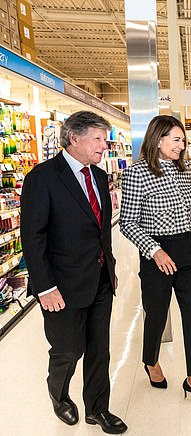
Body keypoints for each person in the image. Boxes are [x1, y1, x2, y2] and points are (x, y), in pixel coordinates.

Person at [21, 111, 128, 434]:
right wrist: (44, 287)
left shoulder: (97, 176)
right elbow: (33, 237)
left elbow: (101, 231)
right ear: (74, 138)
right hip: (61, 286)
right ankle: (58, 394)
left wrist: (109, 266)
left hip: (99, 280)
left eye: (105, 139)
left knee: (99, 349)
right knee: (68, 350)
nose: (104, 145)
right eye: (97, 138)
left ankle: (98, 408)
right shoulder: (42, 177)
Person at [119, 115, 191, 405]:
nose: (182, 145)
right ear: (158, 139)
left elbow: (189, 210)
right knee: (157, 313)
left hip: (186, 250)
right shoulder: (137, 173)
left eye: (183, 140)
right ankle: (151, 361)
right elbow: (127, 221)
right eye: (176, 139)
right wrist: (154, 250)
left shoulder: (181, 170)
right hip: (156, 254)